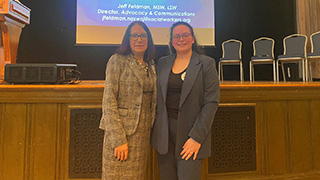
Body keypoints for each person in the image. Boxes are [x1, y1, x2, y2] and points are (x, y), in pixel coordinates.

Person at [151, 22, 220, 180]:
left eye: (185, 35)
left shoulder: (206, 64)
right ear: (171, 41)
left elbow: (211, 103)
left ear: (192, 39)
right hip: (164, 133)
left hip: (191, 133)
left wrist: (196, 137)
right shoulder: (162, 63)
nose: (180, 39)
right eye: (176, 36)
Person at [99, 21, 157, 180]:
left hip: (143, 136)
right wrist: (118, 140)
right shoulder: (117, 61)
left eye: (143, 36)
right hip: (122, 134)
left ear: (148, 40)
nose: (139, 39)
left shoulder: (150, 64)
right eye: (134, 36)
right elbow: (109, 101)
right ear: (128, 39)